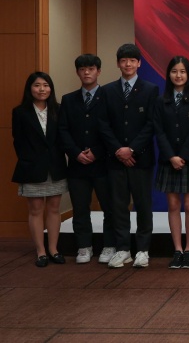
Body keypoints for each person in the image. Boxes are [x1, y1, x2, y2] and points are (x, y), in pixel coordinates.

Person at [101, 43, 159, 269]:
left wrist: (131, 149)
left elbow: (151, 124)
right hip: (115, 159)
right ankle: (123, 248)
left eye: (132, 60)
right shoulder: (107, 91)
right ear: (118, 64)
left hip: (141, 158)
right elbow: (103, 125)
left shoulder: (150, 89)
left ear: (139, 63)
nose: (128, 64)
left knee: (143, 204)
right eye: (124, 60)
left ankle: (143, 249)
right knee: (118, 205)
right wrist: (119, 150)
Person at [57, 54, 115, 264]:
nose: (87, 72)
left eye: (91, 69)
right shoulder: (68, 99)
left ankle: (109, 245)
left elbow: (113, 129)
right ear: (77, 72)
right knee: (80, 208)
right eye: (82, 69)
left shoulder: (109, 96)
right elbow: (62, 130)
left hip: (103, 163)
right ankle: (84, 246)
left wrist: (97, 152)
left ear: (98, 71)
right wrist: (75, 153)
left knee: (109, 207)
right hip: (77, 164)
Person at [154, 56, 189, 269]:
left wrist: (182, 156)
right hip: (169, 160)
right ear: (169, 74)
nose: (178, 75)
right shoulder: (161, 100)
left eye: (183, 71)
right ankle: (176, 249)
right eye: (175, 71)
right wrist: (171, 156)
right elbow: (159, 130)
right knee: (173, 205)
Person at [11, 72, 68, 267]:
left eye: (45, 85)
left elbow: (63, 138)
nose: (42, 89)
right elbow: (18, 142)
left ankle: (53, 249)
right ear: (30, 89)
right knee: (35, 210)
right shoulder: (20, 112)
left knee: (54, 209)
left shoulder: (59, 110)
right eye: (37, 85)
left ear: (51, 88)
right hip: (32, 167)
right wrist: (30, 160)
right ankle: (40, 251)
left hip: (56, 166)